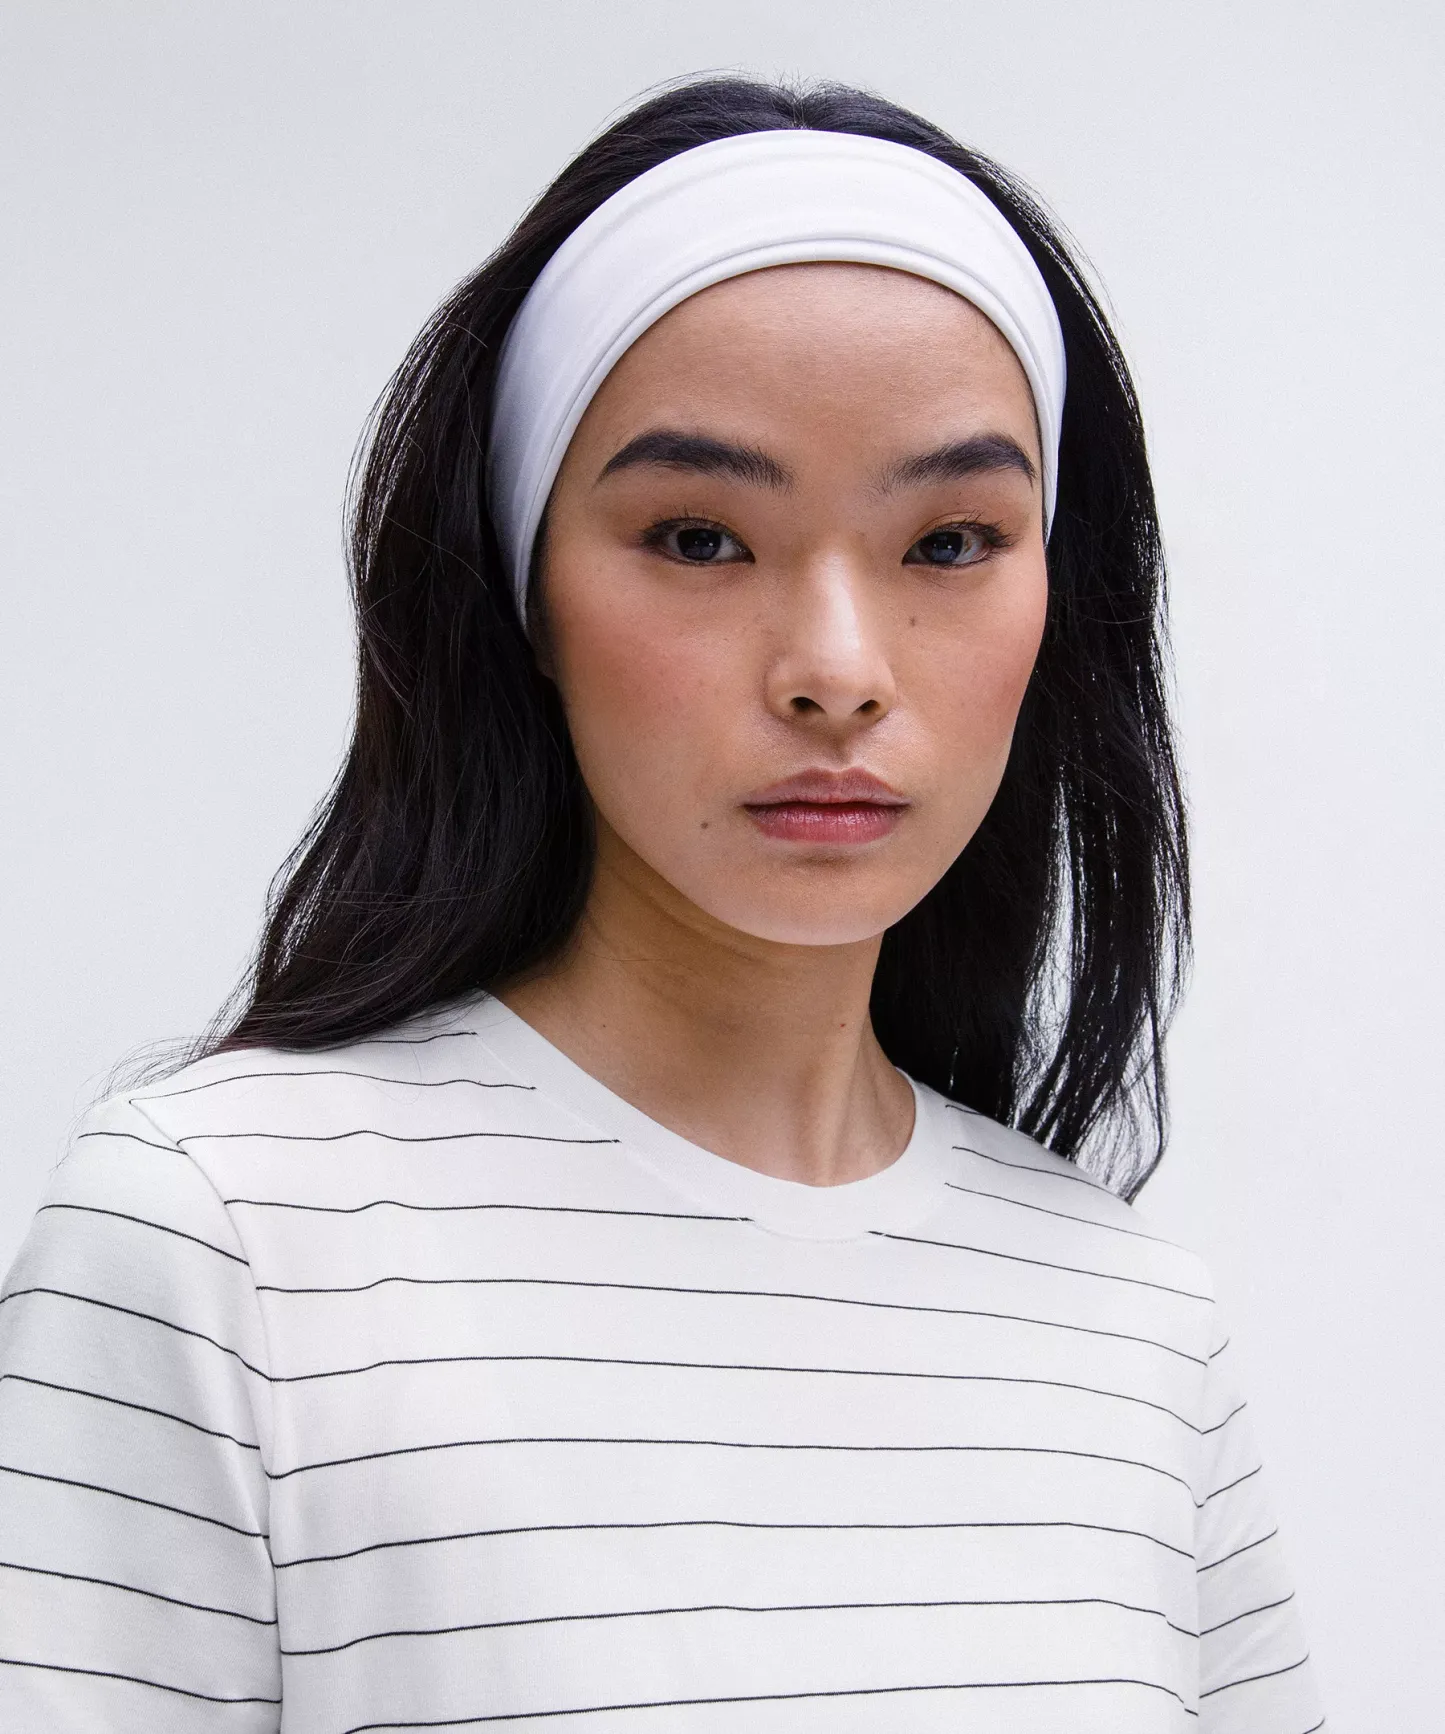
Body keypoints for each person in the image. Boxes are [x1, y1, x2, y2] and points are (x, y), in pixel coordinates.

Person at [0, 75, 1324, 1733]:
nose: (837, 669)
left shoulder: (1134, 1328)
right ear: (525, 590)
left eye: (950, 542)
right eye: (700, 537)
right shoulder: (223, 1243)